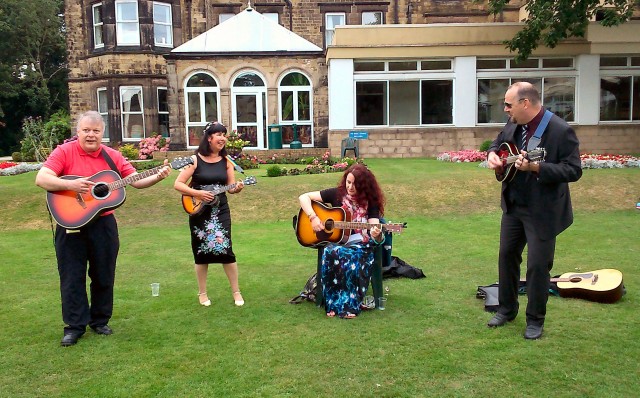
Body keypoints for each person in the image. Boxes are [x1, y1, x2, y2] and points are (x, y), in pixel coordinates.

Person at [35, 111, 171, 347]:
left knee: (104, 274)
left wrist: (157, 176)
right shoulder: (64, 152)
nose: (91, 135)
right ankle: (74, 327)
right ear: (78, 132)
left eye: (96, 131)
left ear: (102, 133)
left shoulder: (112, 157)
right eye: (86, 130)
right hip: (71, 223)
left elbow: (135, 180)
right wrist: (71, 184)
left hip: (103, 224)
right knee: (71, 277)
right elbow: (42, 178)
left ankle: (99, 321)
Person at [486, 81, 582, 339]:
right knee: (506, 257)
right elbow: (498, 142)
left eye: (509, 104)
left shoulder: (560, 130)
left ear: (525, 103)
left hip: (543, 211)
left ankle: (535, 320)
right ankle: (506, 309)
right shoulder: (514, 123)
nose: (505, 109)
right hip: (514, 205)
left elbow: (574, 170)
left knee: (538, 266)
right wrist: (493, 155)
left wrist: (538, 168)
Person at [298, 163, 385, 319]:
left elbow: (374, 231)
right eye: (348, 182)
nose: (350, 187)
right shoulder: (336, 194)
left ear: (364, 186)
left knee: (350, 256)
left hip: (360, 244)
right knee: (331, 252)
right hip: (339, 242)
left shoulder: (370, 201)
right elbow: (303, 197)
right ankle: (332, 304)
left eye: (355, 184)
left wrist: (376, 233)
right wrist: (313, 217)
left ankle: (350, 305)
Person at [174, 122, 245, 308]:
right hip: (199, 211)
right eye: (218, 134)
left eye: (224, 134)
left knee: (227, 251)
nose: (222, 138)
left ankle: (236, 292)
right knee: (201, 252)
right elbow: (178, 184)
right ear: (209, 138)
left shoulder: (227, 161)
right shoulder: (195, 160)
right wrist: (197, 193)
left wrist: (237, 188)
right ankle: (202, 293)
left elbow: (231, 188)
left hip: (220, 211)